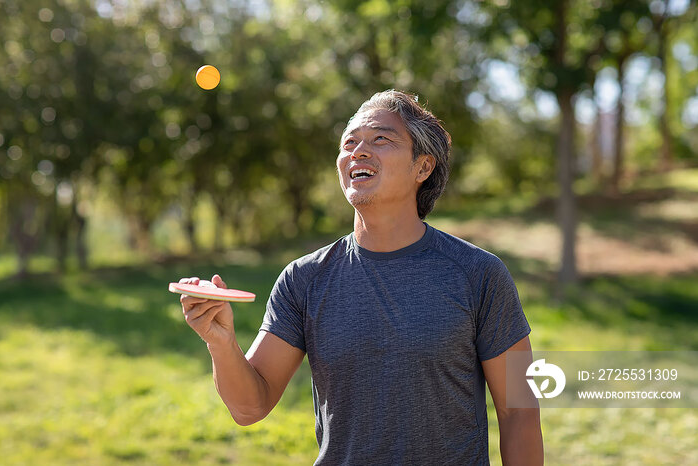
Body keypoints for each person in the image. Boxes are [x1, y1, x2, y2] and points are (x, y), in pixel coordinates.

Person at [179, 90, 543, 465]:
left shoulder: (479, 274)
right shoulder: (303, 280)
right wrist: (220, 342)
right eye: (349, 142)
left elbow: (521, 411)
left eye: (381, 139)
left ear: (423, 167)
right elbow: (249, 408)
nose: (359, 151)